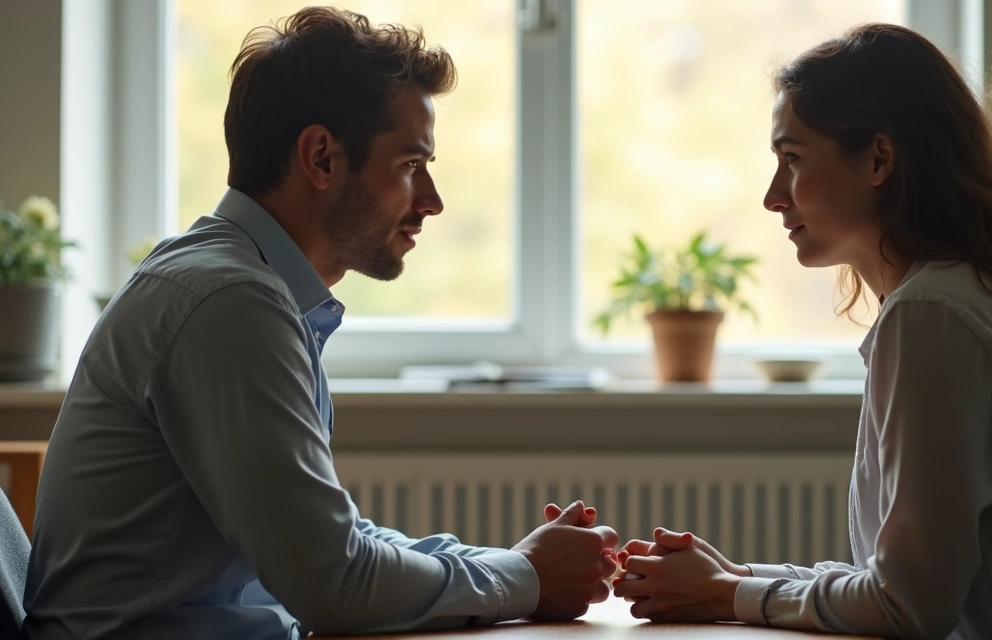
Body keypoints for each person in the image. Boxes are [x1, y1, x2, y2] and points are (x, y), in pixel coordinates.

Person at [24, 8, 617, 640]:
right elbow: (334, 582)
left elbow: (338, 541)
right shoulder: (229, 303)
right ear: (321, 157)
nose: (432, 201)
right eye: (412, 164)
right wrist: (524, 579)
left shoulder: (239, 285)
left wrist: (510, 565)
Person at [612, 23, 992, 640]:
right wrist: (734, 576)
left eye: (792, 159)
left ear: (879, 158)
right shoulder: (968, 294)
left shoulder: (936, 315)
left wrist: (731, 594)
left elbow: (906, 608)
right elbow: (895, 582)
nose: (772, 196)